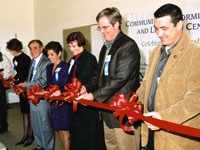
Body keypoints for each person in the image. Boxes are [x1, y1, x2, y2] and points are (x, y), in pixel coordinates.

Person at [136, 3, 200, 150]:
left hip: (176, 139)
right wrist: (132, 102)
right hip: (150, 135)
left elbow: (196, 97)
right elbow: (146, 86)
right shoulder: (155, 53)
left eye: (164, 29)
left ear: (179, 25)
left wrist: (164, 117)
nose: (159, 34)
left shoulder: (196, 54)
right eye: (156, 29)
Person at [79, 8, 141, 150]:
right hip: (107, 112)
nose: (102, 31)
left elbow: (120, 78)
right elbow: (98, 74)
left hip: (123, 112)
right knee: (111, 146)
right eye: (99, 28)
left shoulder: (127, 45)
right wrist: (86, 87)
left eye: (105, 27)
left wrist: (93, 95)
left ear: (117, 24)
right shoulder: (106, 47)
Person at [66, 31, 106, 150]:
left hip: (86, 102)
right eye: (69, 46)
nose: (71, 49)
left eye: (74, 46)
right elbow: (69, 78)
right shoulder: (72, 59)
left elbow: (85, 77)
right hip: (75, 101)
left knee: (88, 134)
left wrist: (76, 89)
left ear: (81, 43)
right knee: (76, 132)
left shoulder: (89, 58)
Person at [18, 39, 54, 150]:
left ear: (41, 49)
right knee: (36, 126)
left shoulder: (46, 62)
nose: (32, 51)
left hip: (42, 100)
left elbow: (43, 81)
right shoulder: (33, 61)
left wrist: (26, 84)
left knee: (45, 126)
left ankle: (48, 148)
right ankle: (40, 146)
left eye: (35, 48)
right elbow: (30, 77)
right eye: (30, 48)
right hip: (32, 98)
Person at [6, 38, 34, 147]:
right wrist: (13, 79)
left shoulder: (25, 58)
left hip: (27, 87)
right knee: (24, 112)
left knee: (29, 112)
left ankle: (31, 135)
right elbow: (18, 72)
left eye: (12, 50)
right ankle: (25, 135)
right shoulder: (15, 59)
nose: (11, 52)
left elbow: (27, 75)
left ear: (16, 48)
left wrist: (17, 81)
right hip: (20, 88)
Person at [45, 41, 72, 150]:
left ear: (59, 53)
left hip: (63, 102)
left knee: (65, 130)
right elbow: (48, 84)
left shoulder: (66, 66)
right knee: (59, 129)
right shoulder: (49, 67)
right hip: (53, 102)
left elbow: (66, 84)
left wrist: (59, 90)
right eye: (48, 54)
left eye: (52, 54)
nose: (49, 57)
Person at [0, 51, 13, 133]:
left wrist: (2, 74)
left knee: (1, 105)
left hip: (0, 83)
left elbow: (10, 69)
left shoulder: (2, 57)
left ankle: (3, 125)